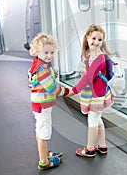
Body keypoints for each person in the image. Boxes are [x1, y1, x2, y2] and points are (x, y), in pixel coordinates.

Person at [28, 33, 73, 170]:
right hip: (43, 104)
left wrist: (53, 75)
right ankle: (44, 161)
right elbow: (52, 89)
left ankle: (44, 152)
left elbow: (39, 80)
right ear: (37, 51)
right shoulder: (42, 68)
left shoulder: (38, 64)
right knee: (44, 132)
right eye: (46, 52)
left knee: (40, 129)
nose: (49, 55)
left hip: (38, 103)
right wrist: (68, 91)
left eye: (52, 52)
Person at [72, 24, 113, 157]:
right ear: (87, 37)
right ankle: (102, 146)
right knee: (97, 117)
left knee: (92, 119)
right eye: (94, 38)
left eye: (100, 40)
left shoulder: (99, 56)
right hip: (93, 92)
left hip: (96, 94)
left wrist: (74, 90)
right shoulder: (88, 54)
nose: (96, 42)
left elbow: (89, 77)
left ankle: (90, 149)